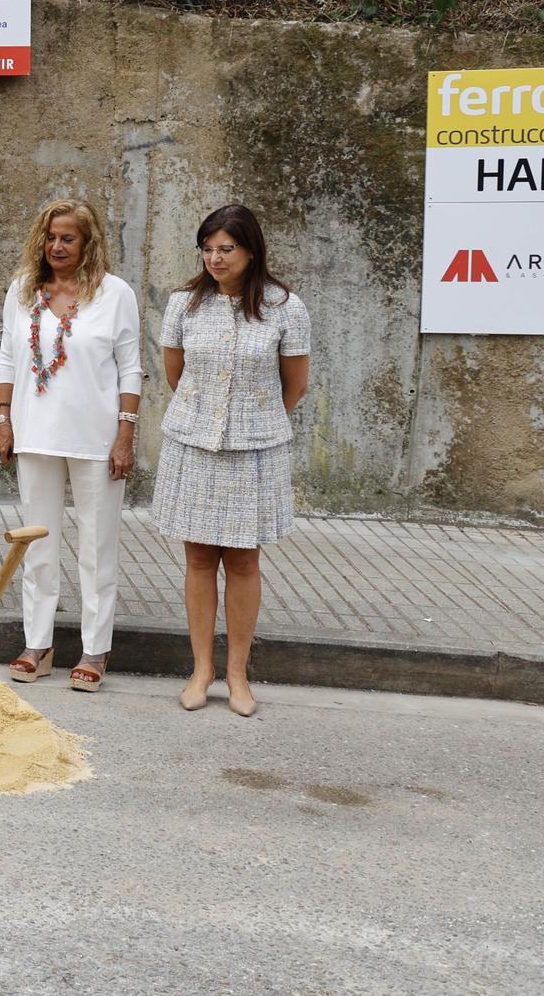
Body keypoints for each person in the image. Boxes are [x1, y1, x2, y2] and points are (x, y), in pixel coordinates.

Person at [154, 204, 310, 718]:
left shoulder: (285, 307)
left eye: (227, 249)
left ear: (250, 251)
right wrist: (207, 417)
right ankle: (201, 670)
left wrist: (252, 419)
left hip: (256, 450)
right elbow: (177, 376)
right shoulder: (184, 304)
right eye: (208, 249)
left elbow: (295, 384)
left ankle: (238, 674)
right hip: (193, 445)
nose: (216, 258)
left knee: (243, 560)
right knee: (198, 558)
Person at [0, 199, 142, 692]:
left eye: (69, 238)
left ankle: (95, 650)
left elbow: (130, 367)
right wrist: (3, 421)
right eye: (51, 237)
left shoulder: (114, 294)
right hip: (34, 435)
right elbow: (8, 360)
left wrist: (126, 432)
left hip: (97, 440)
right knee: (37, 543)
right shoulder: (23, 291)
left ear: (88, 242)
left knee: (97, 547)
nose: (57, 246)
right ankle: (38, 644)